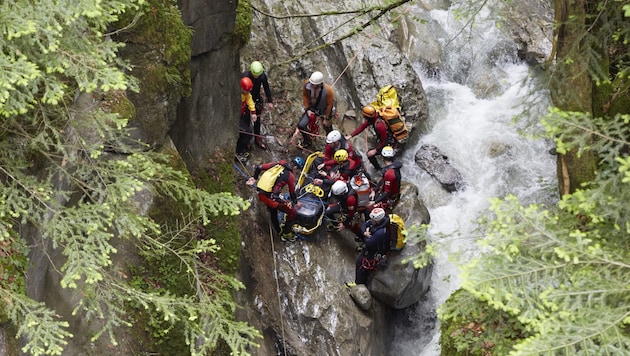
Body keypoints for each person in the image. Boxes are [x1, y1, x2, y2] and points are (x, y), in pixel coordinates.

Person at [246, 157, 305, 241]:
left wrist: (254, 178)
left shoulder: (276, 165)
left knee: (273, 211)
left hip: (262, 194)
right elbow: (292, 192)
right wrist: (296, 202)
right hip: (271, 198)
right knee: (292, 212)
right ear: (295, 167)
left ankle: (278, 231)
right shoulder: (290, 176)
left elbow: (259, 167)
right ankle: (286, 234)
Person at [346, 207, 391, 288]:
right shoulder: (378, 222)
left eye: (373, 220)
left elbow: (369, 242)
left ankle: (359, 284)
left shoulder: (381, 232)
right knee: (360, 262)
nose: (371, 220)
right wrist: (365, 233)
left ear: (377, 221)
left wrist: (366, 235)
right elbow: (365, 225)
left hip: (375, 251)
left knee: (361, 264)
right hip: (372, 245)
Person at [290, 71, 335, 148]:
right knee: (301, 125)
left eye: (315, 85)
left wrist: (326, 118)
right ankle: (307, 141)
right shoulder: (307, 84)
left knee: (328, 128)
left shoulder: (328, 91)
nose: (312, 86)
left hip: (324, 110)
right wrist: (307, 109)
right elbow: (305, 96)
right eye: (312, 84)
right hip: (312, 108)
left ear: (320, 84)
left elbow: (329, 105)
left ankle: (332, 143)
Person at [345, 105, 394, 172]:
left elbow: (385, 141)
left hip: (389, 142)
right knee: (370, 153)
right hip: (385, 139)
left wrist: (375, 150)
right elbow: (362, 127)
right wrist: (350, 136)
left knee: (370, 155)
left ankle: (380, 170)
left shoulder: (379, 125)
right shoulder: (374, 118)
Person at [242, 61, 274, 149]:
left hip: (256, 97)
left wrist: (270, 101)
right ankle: (246, 139)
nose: (257, 77)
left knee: (257, 119)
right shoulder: (245, 76)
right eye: (255, 75)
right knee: (246, 119)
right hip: (246, 97)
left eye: (258, 75)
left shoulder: (262, 76)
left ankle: (257, 138)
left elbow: (266, 87)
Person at [370, 146, 402, 212]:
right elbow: (383, 180)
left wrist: (374, 202)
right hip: (389, 192)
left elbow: (387, 192)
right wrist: (374, 189)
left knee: (369, 209)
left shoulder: (389, 173)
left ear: (382, 157)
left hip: (390, 198)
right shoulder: (393, 167)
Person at [236, 77, 258, 162]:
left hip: (241, 115)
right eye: (246, 90)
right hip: (235, 117)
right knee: (247, 133)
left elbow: (250, 100)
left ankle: (241, 148)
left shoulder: (246, 94)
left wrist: (253, 112)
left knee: (247, 131)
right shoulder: (237, 94)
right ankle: (239, 151)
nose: (248, 92)